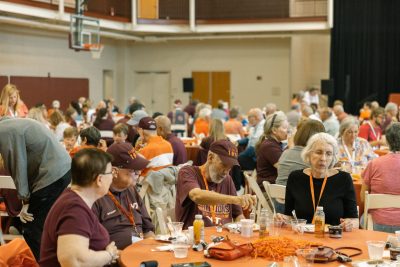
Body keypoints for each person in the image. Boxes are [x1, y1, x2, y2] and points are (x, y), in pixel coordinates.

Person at [0, 118, 71, 260]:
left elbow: (17, 166)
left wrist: (25, 200)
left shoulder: (4, 132)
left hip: (52, 176)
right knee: (48, 224)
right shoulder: (7, 124)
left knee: (32, 229)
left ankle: (46, 263)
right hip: (62, 169)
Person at [40, 148, 119, 266]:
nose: (113, 177)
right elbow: (74, 261)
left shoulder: (73, 199)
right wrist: (108, 255)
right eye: (111, 173)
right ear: (99, 179)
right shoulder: (74, 209)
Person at [278, 133, 358, 227]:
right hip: (302, 237)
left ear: (333, 157)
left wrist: (349, 224)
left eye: (328, 154)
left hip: (333, 237)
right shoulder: (295, 178)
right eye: (318, 152)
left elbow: (354, 220)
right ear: (309, 154)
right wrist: (282, 219)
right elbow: (289, 216)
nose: (323, 158)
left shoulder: (344, 179)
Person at [175, 140, 256, 229]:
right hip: (195, 238)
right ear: (210, 157)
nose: (226, 172)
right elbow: (196, 195)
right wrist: (235, 199)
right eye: (224, 165)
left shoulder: (227, 179)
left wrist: (244, 226)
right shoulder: (188, 172)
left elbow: (238, 216)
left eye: (230, 167)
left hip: (224, 239)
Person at [92, 142, 155, 249]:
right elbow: (92, 245)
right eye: (133, 170)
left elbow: (148, 230)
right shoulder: (96, 197)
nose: (139, 173)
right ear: (114, 172)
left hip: (140, 252)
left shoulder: (131, 190)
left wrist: (151, 249)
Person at [360, 123, 400, 232]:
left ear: (387, 141)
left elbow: (363, 198)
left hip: (377, 224)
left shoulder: (374, 163)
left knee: (362, 219)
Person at [256, 111, 289, 186]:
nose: (287, 131)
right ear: (274, 130)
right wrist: (292, 145)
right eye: (285, 128)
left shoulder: (271, 143)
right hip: (269, 191)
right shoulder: (269, 146)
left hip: (273, 187)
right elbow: (284, 169)